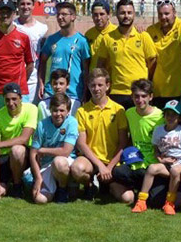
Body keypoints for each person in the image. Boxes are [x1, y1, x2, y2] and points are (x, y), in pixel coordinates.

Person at [71, 68, 131, 202]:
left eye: (100, 85)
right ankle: (89, 184)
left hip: (113, 162)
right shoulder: (82, 111)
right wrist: (100, 166)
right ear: (88, 86)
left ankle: (105, 186)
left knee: (128, 198)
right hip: (91, 161)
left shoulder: (119, 110)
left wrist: (108, 167)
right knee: (77, 169)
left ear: (108, 86)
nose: (96, 89)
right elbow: (81, 143)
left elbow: (123, 143)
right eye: (92, 85)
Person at [131, 99, 181, 215]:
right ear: (164, 115)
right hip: (165, 164)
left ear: (179, 117)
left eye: (174, 115)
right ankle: (141, 200)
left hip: (180, 163)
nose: (170, 117)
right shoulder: (158, 130)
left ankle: (169, 203)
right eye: (167, 114)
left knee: (175, 171)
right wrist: (161, 159)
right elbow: (155, 150)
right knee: (152, 168)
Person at [113, 79, 168, 208]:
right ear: (132, 97)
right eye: (136, 96)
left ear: (151, 97)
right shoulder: (129, 113)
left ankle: (143, 189)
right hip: (136, 162)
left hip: (154, 166)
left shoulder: (161, 117)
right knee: (117, 172)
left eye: (144, 96)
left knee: (155, 202)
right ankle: (131, 188)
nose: (140, 100)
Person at [94, 0, 157, 109]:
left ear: (134, 14)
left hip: (139, 94)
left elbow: (152, 62)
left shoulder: (143, 36)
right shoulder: (108, 38)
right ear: (116, 14)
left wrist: (145, 81)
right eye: (122, 13)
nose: (126, 16)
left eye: (129, 13)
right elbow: (101, 66)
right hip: (117, 92)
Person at [0, 82, 38, 198]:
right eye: (7, 100)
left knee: (17, 150)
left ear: (20, 98)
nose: (11, 103)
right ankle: (6, 183)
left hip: (24, 156)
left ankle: (17, 185)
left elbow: (24, 138)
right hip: (4, 158)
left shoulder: (31, 109)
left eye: (14, 99)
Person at [25, 92, 79, 204]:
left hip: (65, 162)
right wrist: (39, 178)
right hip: (46, 165)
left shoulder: (72, 122)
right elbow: (33, 153)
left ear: (68, 111)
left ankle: (62, 190)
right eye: (55, 110)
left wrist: (43, 150)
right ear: (50, 109)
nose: (58, 114)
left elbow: (65, 151)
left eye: (62, 110)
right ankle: (37, 181)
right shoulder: (42, 125)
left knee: (59, 161)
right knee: (40, 200)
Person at [0, 0, 34, 112]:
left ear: (14, 13)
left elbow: (30, 63)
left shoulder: (23, 36)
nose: (5, 15)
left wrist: (20, 82)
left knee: (18, 125)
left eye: (8, 12)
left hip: (18, 90)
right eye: (2, 12)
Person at [38, 2, 90, 101]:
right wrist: (41, 83)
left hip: (73, 93)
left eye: (64, 14)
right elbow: (43, 61)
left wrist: (85, 92)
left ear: (73, 17)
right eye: (58, 15)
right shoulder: (51, 39)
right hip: (52, 92)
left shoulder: (82, 41)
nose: (60, 17)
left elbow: (86, 69)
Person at [146, 0, 181, 106]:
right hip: (158, 89)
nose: (163, 17)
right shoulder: (151, 30)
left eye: (167, 14)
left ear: (174, 12)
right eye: (160, 14)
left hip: (178, 89)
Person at [15, 0, 49, 103]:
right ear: (18, 6)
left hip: (34, 81)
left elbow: (44, 58)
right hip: (15, 77)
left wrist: (41, 81)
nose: (26, 7)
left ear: (33, 6)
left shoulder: (42, 28)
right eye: (22, 4)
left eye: (28, 4)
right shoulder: (12, 26)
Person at [85, 0, 116, 70]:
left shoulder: (116, 32)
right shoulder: (89, 34)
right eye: (95, 15)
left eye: (102, 14)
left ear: (109, 15)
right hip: (93, 77)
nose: (98, 18)